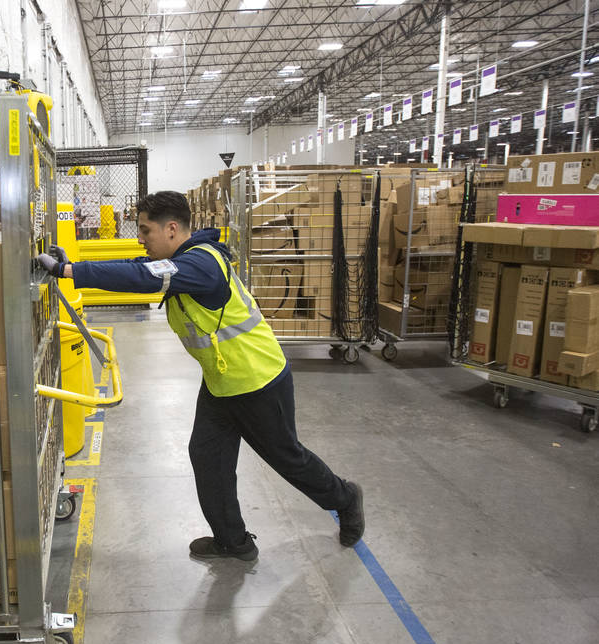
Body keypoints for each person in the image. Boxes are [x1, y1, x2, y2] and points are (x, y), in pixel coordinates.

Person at [35, 190, 364, 563]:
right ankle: (233, 541)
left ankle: (345, 497)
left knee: (288, 458)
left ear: (172, 229)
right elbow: (138, 263)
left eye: (145, 231)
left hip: (258, 381)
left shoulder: (201, 266)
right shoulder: (182, 259)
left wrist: (68, 270)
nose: (140, 239)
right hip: (221, 381)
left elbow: (141, 276)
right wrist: (72, 261)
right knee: (207, 457)